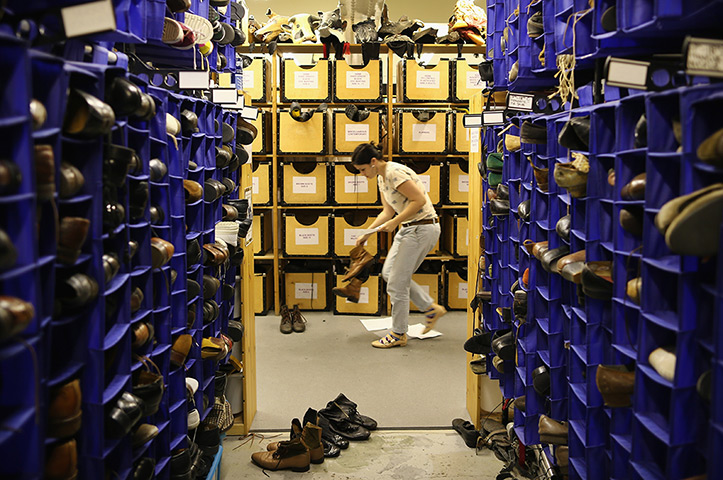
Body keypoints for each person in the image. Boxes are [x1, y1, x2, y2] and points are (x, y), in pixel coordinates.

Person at [351, 142, 446, 348]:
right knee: (389, 273)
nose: (362, 174)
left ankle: (398, 333)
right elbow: (387, 212)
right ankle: (430, 308)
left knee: (396, 282)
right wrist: (367, 233)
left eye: (363, 169)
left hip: (422, 228)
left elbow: (419, 200)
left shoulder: (395, 172)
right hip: (409, 229)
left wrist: (394, 223)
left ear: (373, 162)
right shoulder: (381, 178)